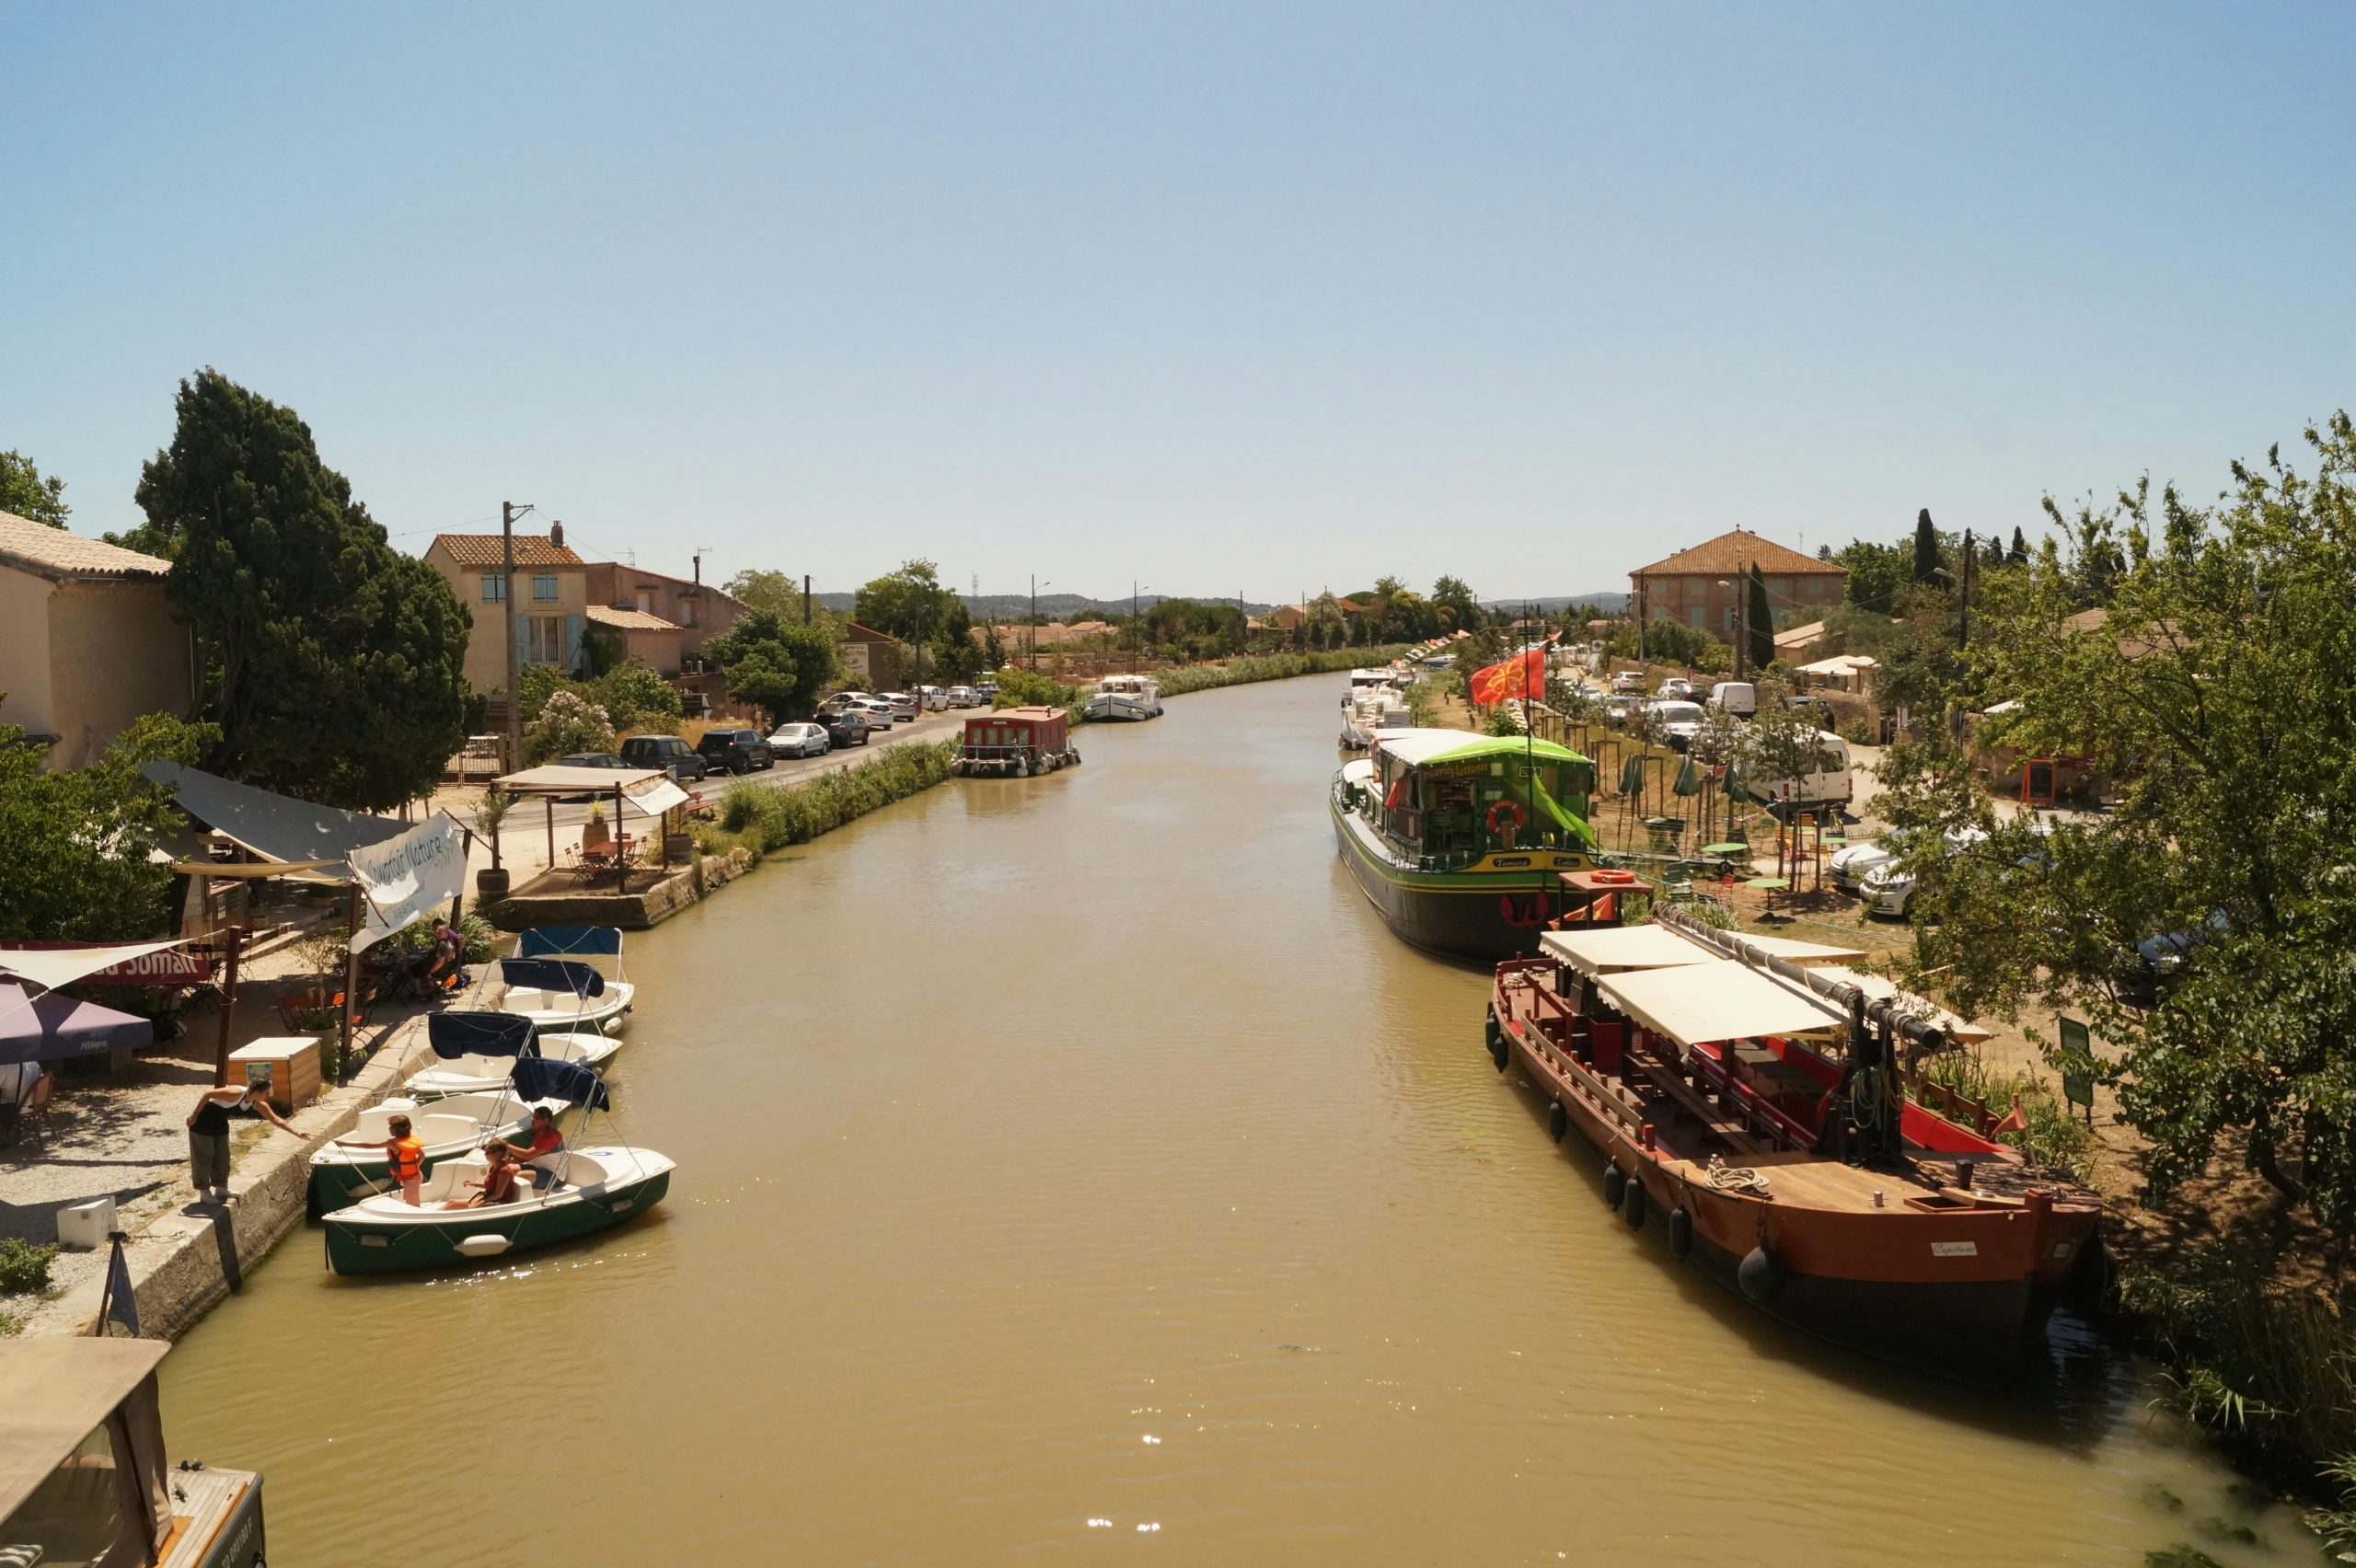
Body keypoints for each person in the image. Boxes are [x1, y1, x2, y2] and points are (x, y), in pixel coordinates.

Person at [185, 1080, 304, 1204]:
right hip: (202, 1122)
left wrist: (297, 1133)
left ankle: (221, 1188)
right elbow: (208, 1094)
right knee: (205, 1156)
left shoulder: (257, 1103)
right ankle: (204, 1192)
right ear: (257, 1092)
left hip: (220, 1124)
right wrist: (194, 1116)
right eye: (265, 1093)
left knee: (223, 1157)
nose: (267, 1096)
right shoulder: (237, 1092)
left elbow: (276, 1120)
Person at [332, 1113, 425, 1205]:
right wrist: (414, 1167)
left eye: (391, 1127)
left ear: (397, 1130)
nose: (389, 1129)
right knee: (411, 1201)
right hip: (415, 1176)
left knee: (413, 1205)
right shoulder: (409, 1140)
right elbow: (422, 1156)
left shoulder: (392, 1144)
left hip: (411, 1180)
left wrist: (344, 1144)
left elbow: (369, 1146)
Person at [441, 1143, 519, 1210]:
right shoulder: (494, 1167)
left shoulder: (504, 1171)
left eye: (487, 1152)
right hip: (489, 1198)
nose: (485, 1154)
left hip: (499, 1203)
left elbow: (498, 1195)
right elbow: (491, 1187)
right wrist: (474, 1184)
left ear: (496, 1155)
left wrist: (481, 1202)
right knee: (451, 1202)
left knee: (469, 1209)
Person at [496, 1105, 565, 1175]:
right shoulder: (538, 1135)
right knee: (505, 1171)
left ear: (545, 1121)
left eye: (536, 1118)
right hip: (536, 1167)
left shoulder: (553, 1136)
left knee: (518, 1175)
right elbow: (527, 1159)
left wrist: (504, 1145)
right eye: (533, 1117)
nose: (532, 1119)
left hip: (553, 1175)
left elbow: (528, 1155)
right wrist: (507, 1162)